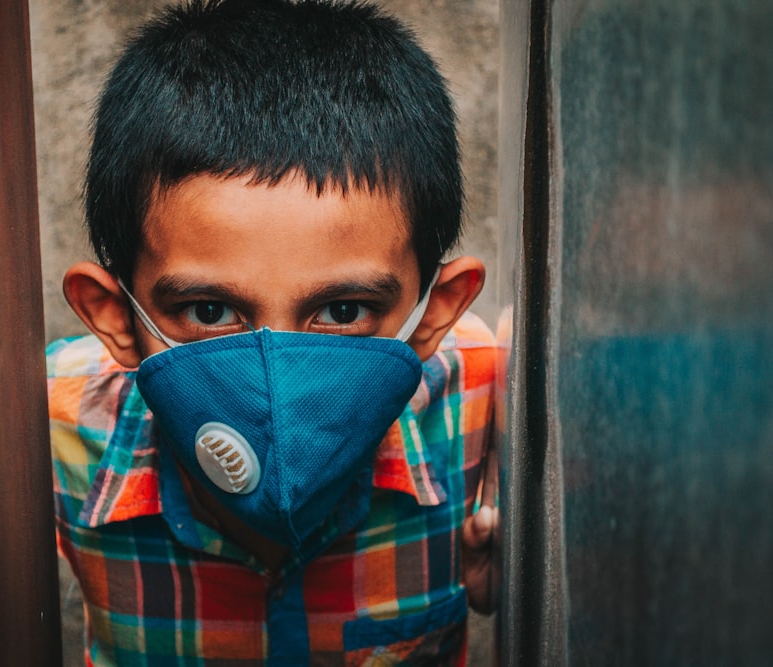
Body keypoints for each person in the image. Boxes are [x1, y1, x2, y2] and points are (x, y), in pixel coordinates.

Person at [46, 0, 498, 664]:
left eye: (343, 311)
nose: (275, 379)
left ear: (436, 311)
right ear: (113, 315)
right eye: (209, 311)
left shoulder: (485, 403)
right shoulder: (45, 435)